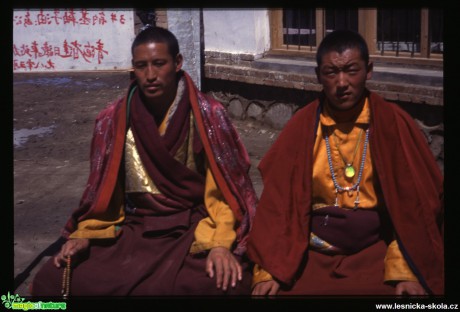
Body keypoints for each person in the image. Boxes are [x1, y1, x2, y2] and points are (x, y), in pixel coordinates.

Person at [31, 25, 257, 297]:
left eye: (159, 64)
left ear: (177, 63)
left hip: (193, 227)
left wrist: (220, 244)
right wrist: (85, 234)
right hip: (135, 228)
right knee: (52, 279)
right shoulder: (113, 119)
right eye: (141, 66)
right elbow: (102, 191)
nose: (150, 75)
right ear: (133, 69)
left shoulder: (209, 115)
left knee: (226, 281)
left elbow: (226, 191)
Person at [246, 30, 444, 296]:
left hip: (377, 250)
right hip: (312, 250)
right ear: (318, 76)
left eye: (351, 70)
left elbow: (415, 207)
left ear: (368, 70)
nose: (342, 83)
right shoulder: (302, 128)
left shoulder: (393, 124)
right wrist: (268, 269)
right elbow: (279, 204)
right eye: (331, 73)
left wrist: (405, 270)